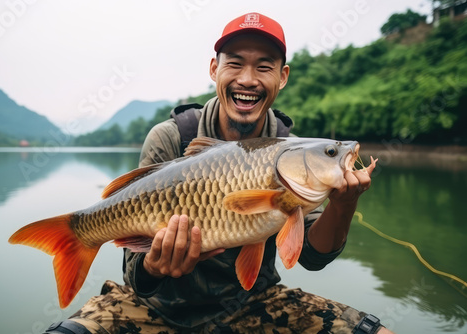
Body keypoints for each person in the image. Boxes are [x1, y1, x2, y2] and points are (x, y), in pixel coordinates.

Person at [45, 12, 393, 334]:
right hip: (155, 307)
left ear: (282, 77)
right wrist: (154, 265)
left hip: (252, 303)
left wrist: (344, 204)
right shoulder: (170, 138)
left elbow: (312, 257)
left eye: (264, 67)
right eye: (235, 64)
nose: (247, 79)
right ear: (215, 69)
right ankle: (78, 235)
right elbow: (135, 277)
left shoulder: (289, 149)